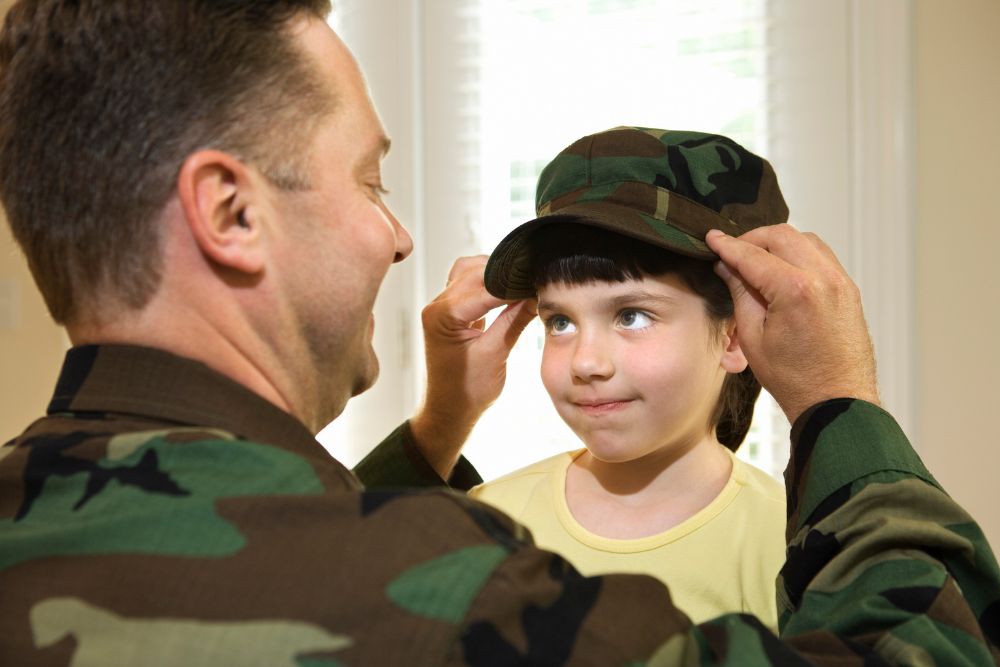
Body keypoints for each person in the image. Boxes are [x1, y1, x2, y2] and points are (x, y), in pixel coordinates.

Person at [0, 1, 997, 665]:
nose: (395, 236)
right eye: (369, 177)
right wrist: (841, 409)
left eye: (632, 312)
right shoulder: (445, 585)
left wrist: (436, 426)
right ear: (230, 212)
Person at [464, 127, 786, 629]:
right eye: (560, 322)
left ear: (734, 336)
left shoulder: (790, 542)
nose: (586, 363)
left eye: (631, 315)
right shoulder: (487, 522)